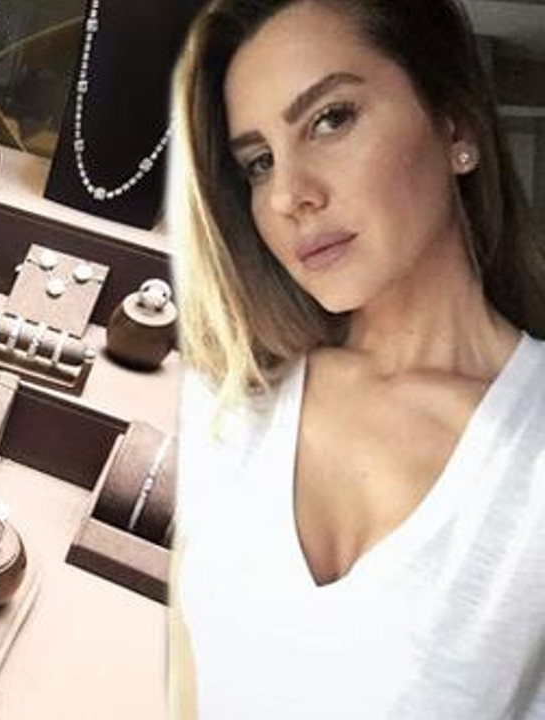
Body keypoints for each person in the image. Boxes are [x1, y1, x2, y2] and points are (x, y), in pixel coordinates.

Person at [166, 0, 545, 718]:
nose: (289, 195)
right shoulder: (232, 402)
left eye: (330, 119)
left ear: (456, 127)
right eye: (258, 163)